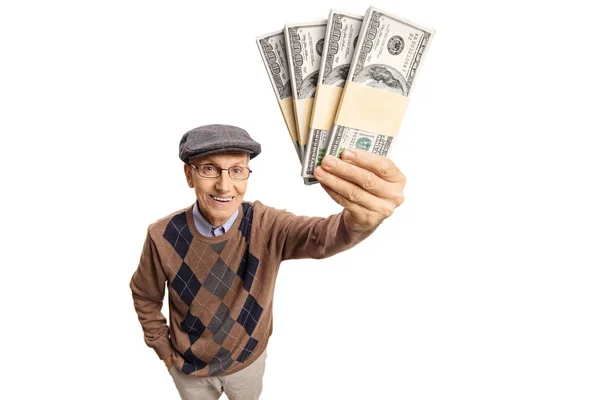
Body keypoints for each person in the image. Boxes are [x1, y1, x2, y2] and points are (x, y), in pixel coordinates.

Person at [130, 124, 406, 400]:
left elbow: (323, 237)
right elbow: (144, 295)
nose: (224, 185)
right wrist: (164, 352)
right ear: (189, 175)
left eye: (237, 170)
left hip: (248, 363)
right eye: (209, 169)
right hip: (189, 370)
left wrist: (357, 222)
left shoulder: (265, 225)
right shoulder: (161, 235)